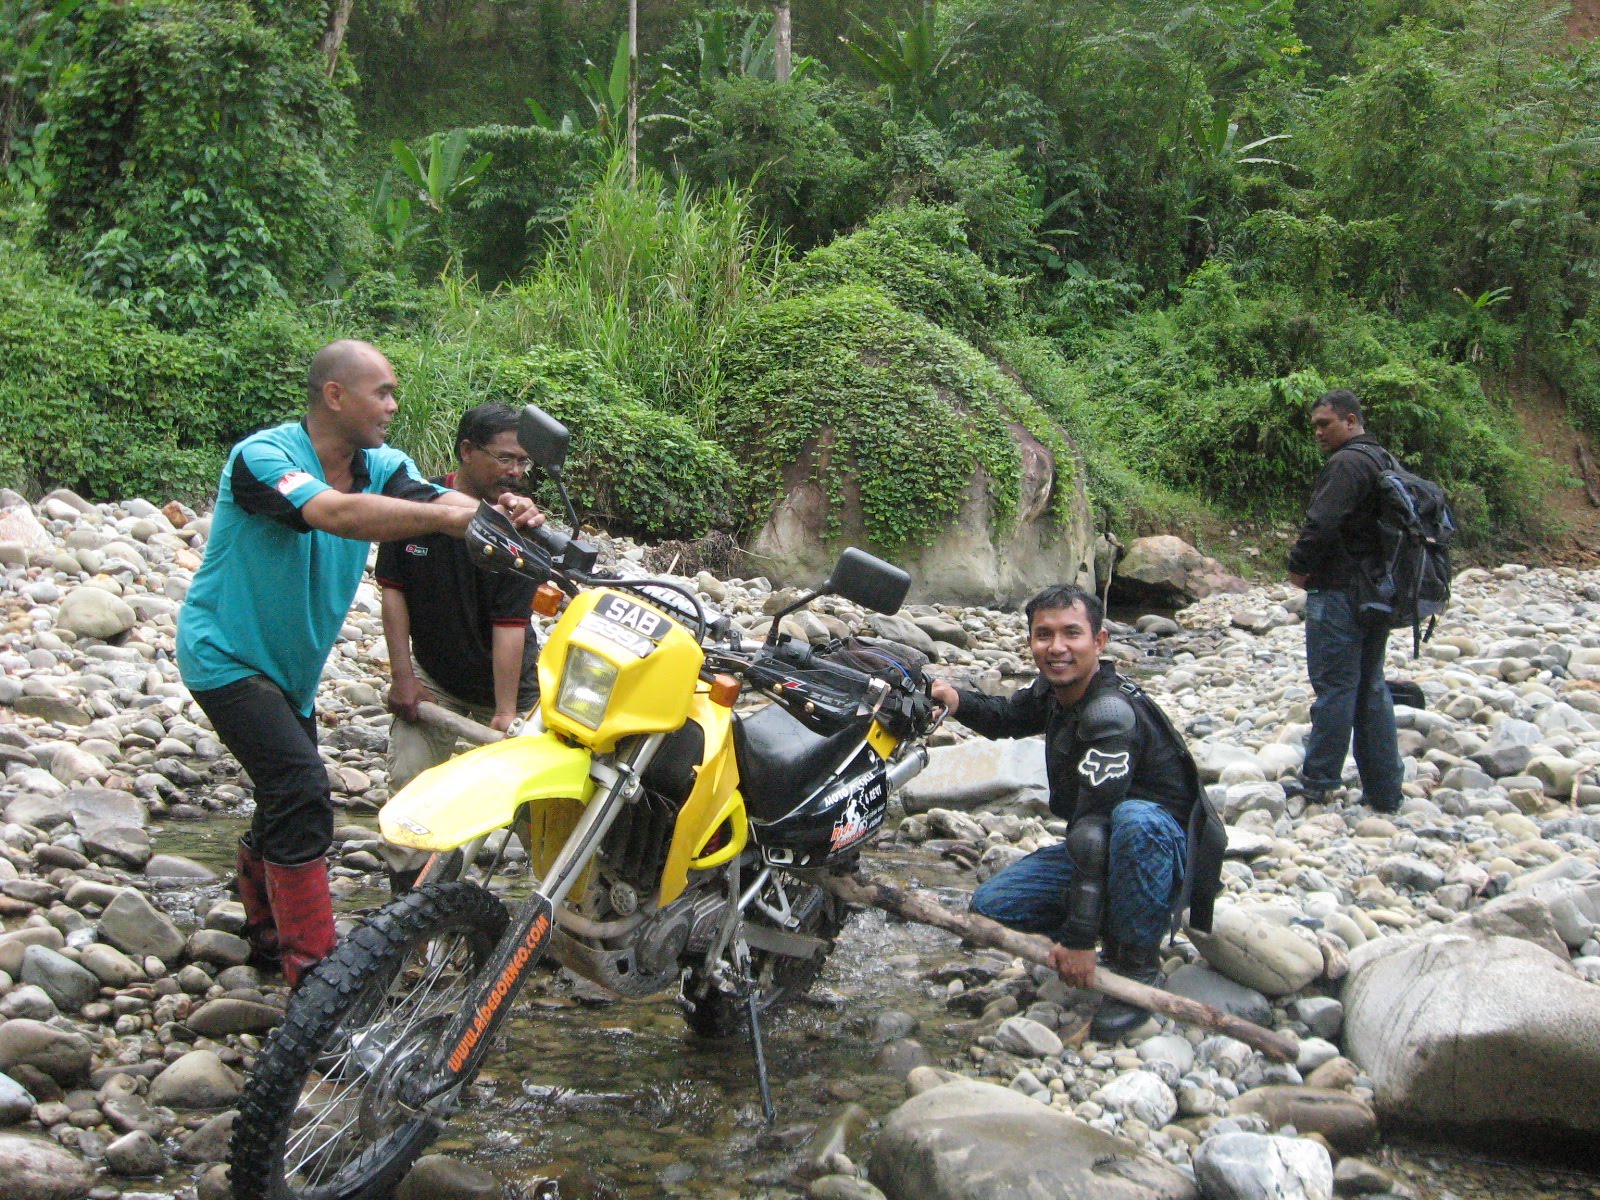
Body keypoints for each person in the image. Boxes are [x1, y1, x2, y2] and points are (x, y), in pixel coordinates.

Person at [177, 340, 542, 986]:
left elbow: (439, 501)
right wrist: (459, 521)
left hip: (292, 674)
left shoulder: (383, 466)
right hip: (225, 655)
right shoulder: (263, 457)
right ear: (335, 396)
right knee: (302, 791)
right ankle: (319, 977)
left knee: (281, 794)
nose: (394, 405)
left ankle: (265, 934)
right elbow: (336, 514)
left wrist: (499, 514)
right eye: (383, 393)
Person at [930, 585, 1217, 1040]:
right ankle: (1115, 922)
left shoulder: (1110, 714)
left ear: (1099, 642)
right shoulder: (1055, 691)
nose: (1057, 647)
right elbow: (1007, 716)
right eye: (1044, 635)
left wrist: (1079, 940)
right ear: (1030, 641)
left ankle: (1136, 963)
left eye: (1071, 633)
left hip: (1159, 857)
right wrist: (956, 699)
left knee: (1134, 821)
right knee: (991, 909)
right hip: (1102, 846)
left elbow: (1095, 828)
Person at [378, 403, 542, 801]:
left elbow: (510, 624)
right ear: (467, 450)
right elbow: (393, 591)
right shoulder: (415, 505)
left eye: (522, 461)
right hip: (436, 676)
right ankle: (408, 848)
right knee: (408, 782)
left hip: (509, 686)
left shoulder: (520, 527)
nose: (515, 472)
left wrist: (506, 713)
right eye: (504, 458)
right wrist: (403, 677)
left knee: (524, 802)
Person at [1285, 388, 1404, 813]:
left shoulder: (1347, 463)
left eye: (1325, 424)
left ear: (1350, 421)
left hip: (1338, 591)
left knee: (1335, 687)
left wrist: (1298, 566)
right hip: (1377, 594)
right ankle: (1385, 790)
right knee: (1370, 687)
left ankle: (1318, 783)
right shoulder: (1383, 459)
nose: (1318, 432)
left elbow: (1322, 523)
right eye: (1314, 426)